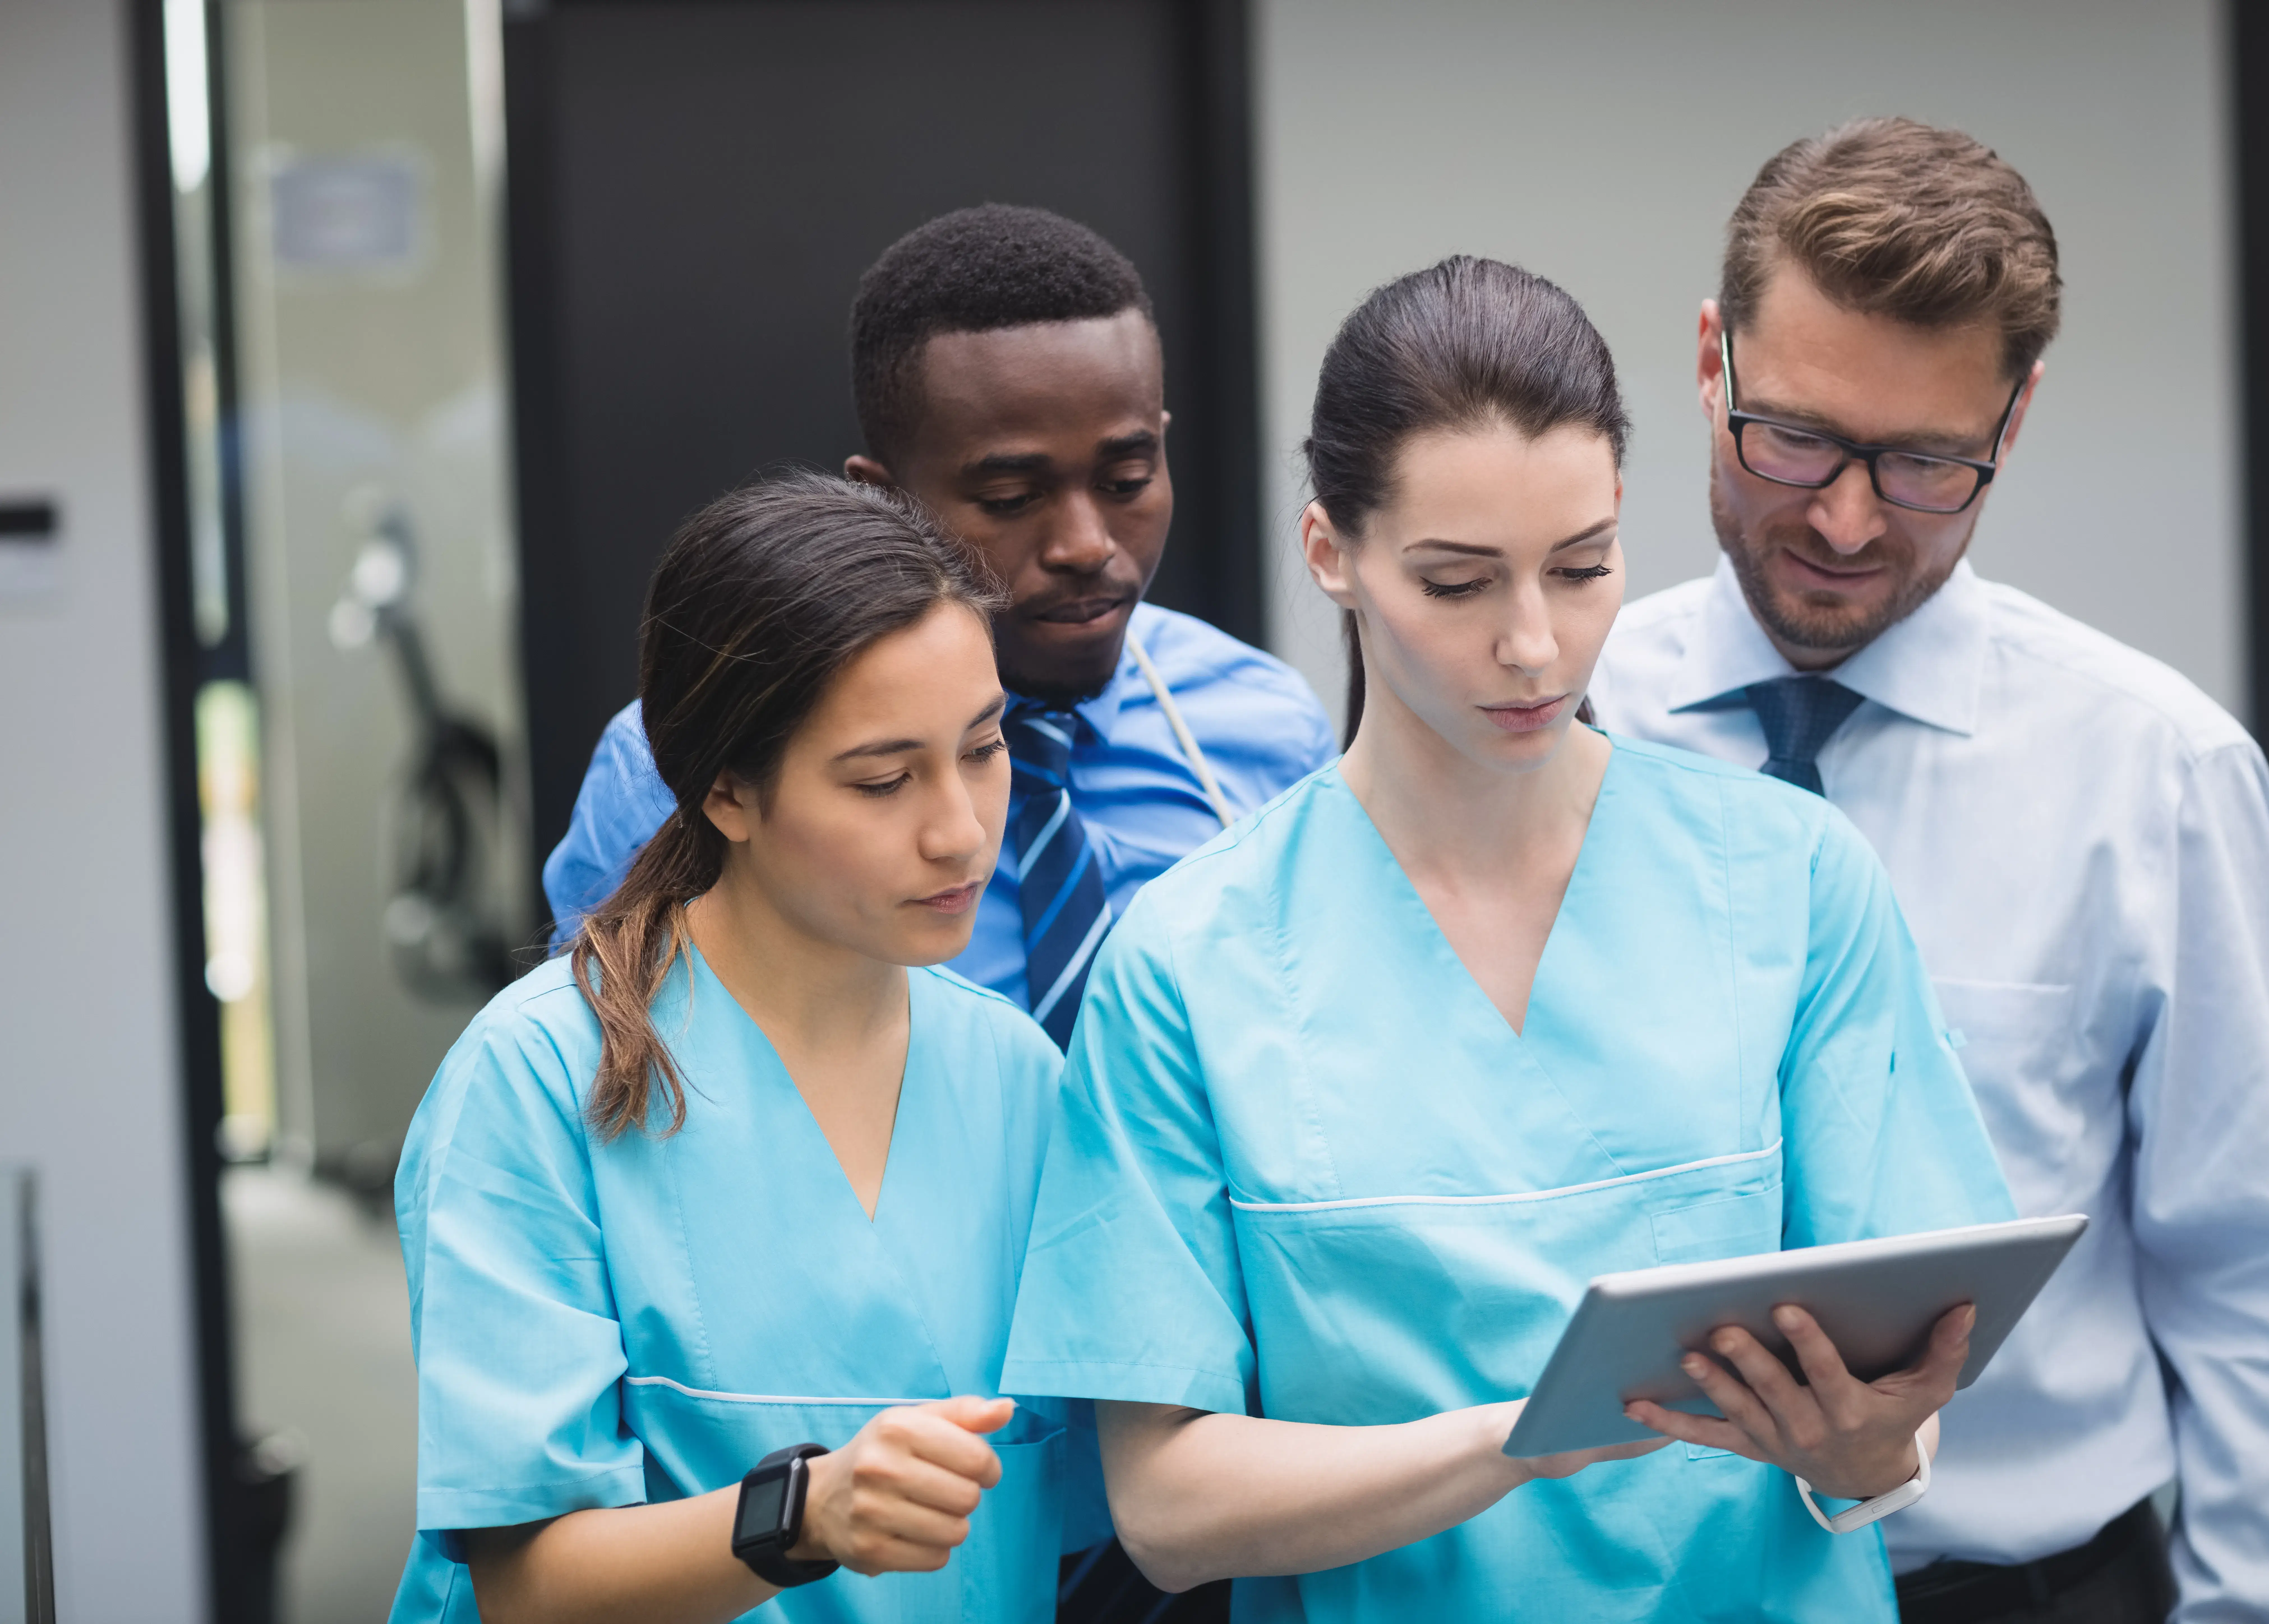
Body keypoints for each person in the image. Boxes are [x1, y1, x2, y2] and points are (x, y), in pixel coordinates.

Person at [999, 256, 2019, 1623]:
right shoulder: (1189, 958)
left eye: (1582, 567)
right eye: (1459, 582)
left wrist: (1874, 1445)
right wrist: (1526, 1439)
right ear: (1331, 555)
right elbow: (1171, 1510)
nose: (1537, 645)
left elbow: (1902, 1381)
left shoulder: (1794, 884)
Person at [1590, 118, 2269, 1624]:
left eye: (1926, 463)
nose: (1843, 517)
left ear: (2011, 425)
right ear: (1710, 361)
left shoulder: (2158, 773)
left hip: (2015, 1587)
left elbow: (2259, 1292)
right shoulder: (1559, 723)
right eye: (1796, 436)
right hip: (1629, 1583)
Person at [388, 473, 1077, 1623]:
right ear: (725, 790)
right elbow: (522, 1582)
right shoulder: (531, 1085)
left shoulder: (1020, 1080)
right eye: (883, 778)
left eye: (986, 745)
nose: (961, 827)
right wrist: (803, 1513)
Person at [544, 204, 1337, 1050]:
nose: (1085, 545)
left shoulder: (1264, 728)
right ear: (882, 497)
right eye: (1010, 500)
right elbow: (608, 1079)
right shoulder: (683, 759)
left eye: (1127, 478)